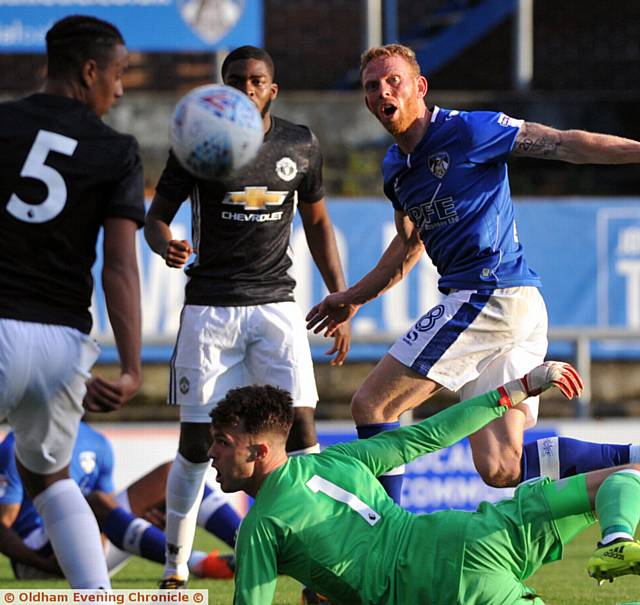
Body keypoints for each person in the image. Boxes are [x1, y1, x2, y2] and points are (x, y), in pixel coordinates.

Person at [306, 43, 640, 503]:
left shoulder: (468, 130)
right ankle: (633, 458)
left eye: (394, 81)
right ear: (366, 101)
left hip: (490, 294)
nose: (384, 91)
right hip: (510, 307)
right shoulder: (395, 169)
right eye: (372, 86)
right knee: (500, 466)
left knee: (372, 404)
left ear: (419, 87)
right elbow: (408, 246)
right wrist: (353, 297)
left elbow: (562, 143)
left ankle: (384, 540)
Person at [145, 45, 350, 587]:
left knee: (304, 433)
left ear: (272, 89)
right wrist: (165, 242)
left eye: (256, 80)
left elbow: (320, 224)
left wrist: (341, 297)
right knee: (195, 444)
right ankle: (175, 569)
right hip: (210, 308)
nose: (246, 88)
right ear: (221, 85)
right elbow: (154, 220)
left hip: (276, 308)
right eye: (235, 80)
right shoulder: (195, 143)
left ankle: (319, 569)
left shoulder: (298, 143)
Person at [208, 364, 640, 605]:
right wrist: (517, 388)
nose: (211, 454)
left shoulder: (260, 526)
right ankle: (617, 535)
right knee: (624, 478)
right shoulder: (338, 459)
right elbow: (428, 435)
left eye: (222, 443)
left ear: (259, 451)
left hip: (440, 590)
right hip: (476, 534)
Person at [0, 15, 144, 589]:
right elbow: (119, 266)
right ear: (89, 72)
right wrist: (131, 366)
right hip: (62, 345)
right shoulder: (116, 150)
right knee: (51, 478)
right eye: (118, 73)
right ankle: (95, 597)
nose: (122, 86)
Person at [0, 422, 238, 580]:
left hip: (91, 554)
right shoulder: (16, 444)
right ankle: (200, 563)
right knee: (91, 502)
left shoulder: (96, 442)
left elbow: (108, 511)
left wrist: (134, 522)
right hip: (39, 560)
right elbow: (2, 525)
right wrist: (41, 565)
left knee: (175, 476)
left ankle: (252, 546)